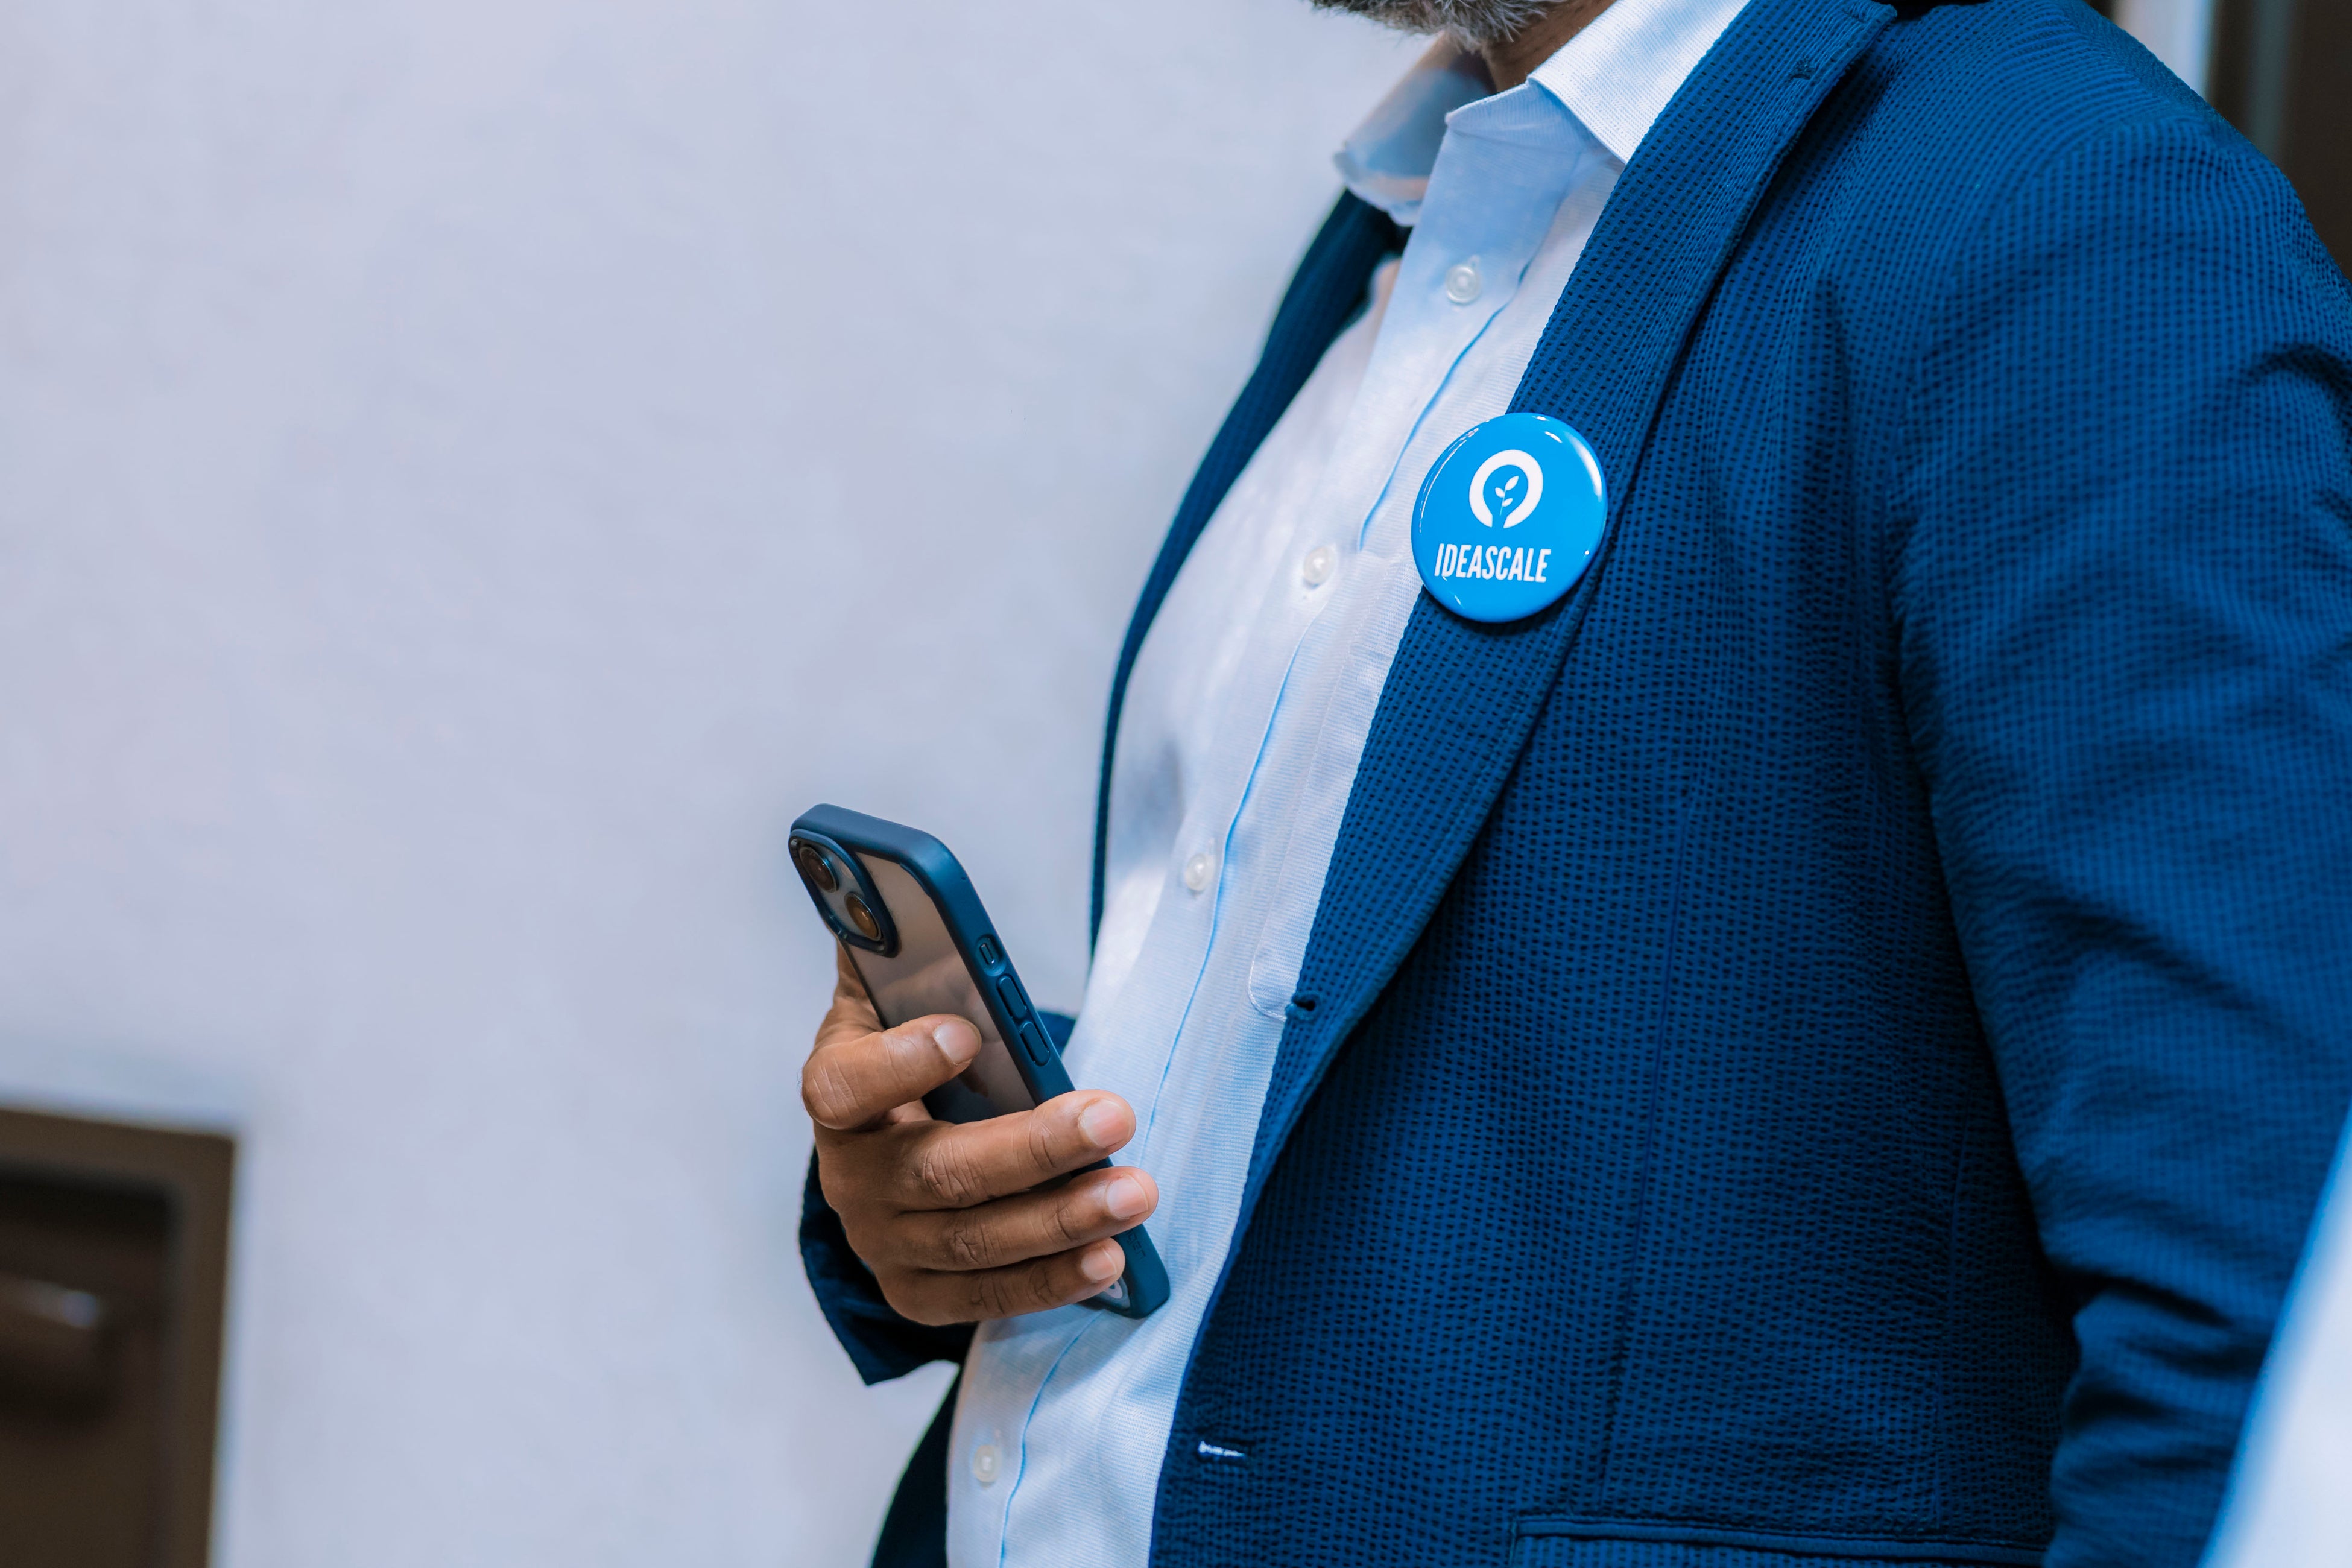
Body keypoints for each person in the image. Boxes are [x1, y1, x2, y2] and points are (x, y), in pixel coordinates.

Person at [798, 0, 2352, 1563]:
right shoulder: (1414, 215)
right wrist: (968, 1200)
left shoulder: (2078, 223)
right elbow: (1485, 1077)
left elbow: (2239, 1320)